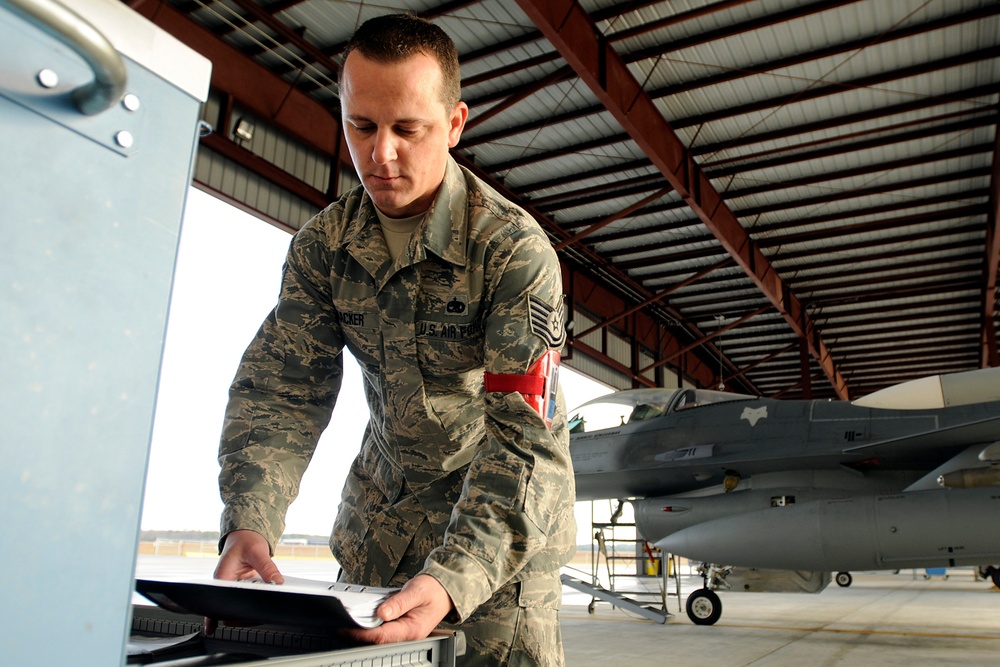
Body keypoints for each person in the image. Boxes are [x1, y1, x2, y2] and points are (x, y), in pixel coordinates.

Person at [212, 13, 576, 666]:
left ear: (455, 124)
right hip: (377, 539)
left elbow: (526, 440)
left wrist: (453, 576)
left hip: (493, 558)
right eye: (363, 126)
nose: (381, 154)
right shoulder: (322, 249)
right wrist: (250, 518)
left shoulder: (511, 252)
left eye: (408, 129)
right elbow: (283, 390)